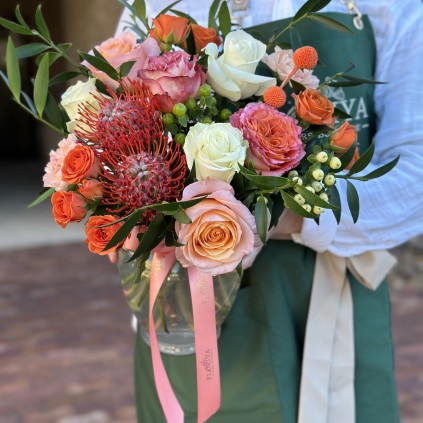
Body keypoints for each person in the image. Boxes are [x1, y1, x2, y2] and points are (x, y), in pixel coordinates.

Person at [116, 1, 423, 422]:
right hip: (192, 297)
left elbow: (415, 174)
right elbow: (114, 121)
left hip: (328, 293)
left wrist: (285, 213)